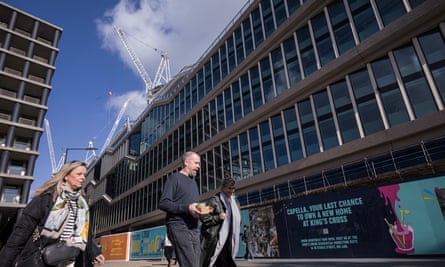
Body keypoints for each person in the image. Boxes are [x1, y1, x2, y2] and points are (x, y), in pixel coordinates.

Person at [0, 160, 105, 267]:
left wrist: (95, 252)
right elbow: (20, 234)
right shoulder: (46, 199)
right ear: (66, 176)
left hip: (73, 261)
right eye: (79, 174)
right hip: (43, 259)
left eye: (84, 175)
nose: (83, 178)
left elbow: (85, 233)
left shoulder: (83, 204)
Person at [159, 151, 203, 267]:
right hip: (179, 226)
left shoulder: (194, 183)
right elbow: (163, 203)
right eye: (196, 163)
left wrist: (200, 210)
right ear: (186, 162)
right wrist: (187, 208)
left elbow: (192, 206)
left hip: (194, 227)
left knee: (196, 264)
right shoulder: (174, 179)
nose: (199, 166)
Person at [199, 178, 241, 267]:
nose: (232, 191)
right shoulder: (214, 200)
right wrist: (218, 217)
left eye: (233, 188)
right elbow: (203, 215)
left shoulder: (234, 202)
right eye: (229, 188)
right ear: (223, 188)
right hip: (217, 239)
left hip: (230, 239)